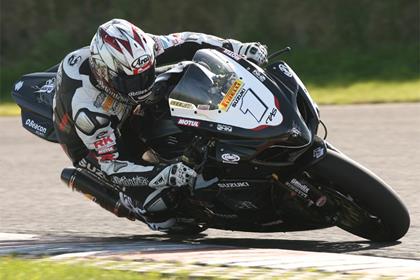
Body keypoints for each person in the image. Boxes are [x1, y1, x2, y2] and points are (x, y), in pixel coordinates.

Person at [53, 18, 268, 232]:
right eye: (132, 81)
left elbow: (189, 41)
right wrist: (167, 174)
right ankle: (130, 204)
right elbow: (114, 167)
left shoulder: (144, 48)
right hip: (92, 142)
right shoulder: (89, 110)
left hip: (126, 104)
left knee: (190, 73)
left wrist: (238, 48)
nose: (141, 86)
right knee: (161, 208)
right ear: (105, 74)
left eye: (145, 75)